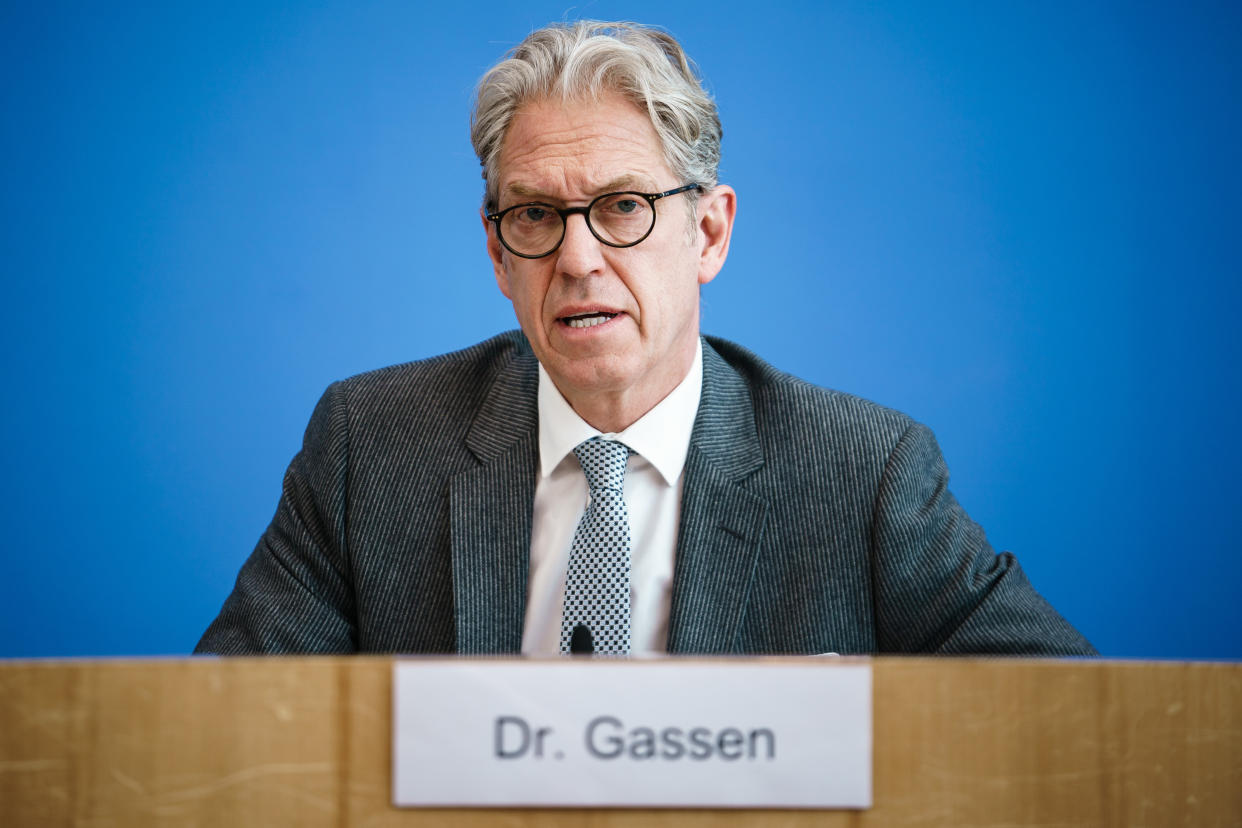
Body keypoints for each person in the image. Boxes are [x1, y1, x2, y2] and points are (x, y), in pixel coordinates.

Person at [196, 20, 1095, 657]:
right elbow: (223, 732)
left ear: (708, 234)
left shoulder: (863, 473)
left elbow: (1064, 719)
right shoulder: (370, 445)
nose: (579, 258)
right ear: (497, 253)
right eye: (537, 215)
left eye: (623, 207)